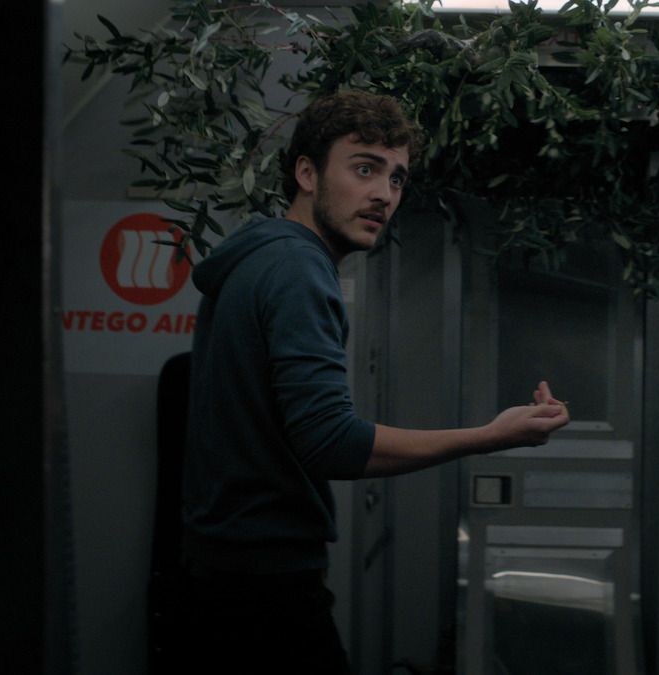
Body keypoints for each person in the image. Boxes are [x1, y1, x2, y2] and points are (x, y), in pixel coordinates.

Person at [176, 89, 570, 674]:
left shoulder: (262, 259)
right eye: (364, 169)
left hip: (224, 575)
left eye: (397, 178)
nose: (384, 194)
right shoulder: (297, 269)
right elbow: (329, 440)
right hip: (263, 591)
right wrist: (490, 436)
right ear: (306, 173)